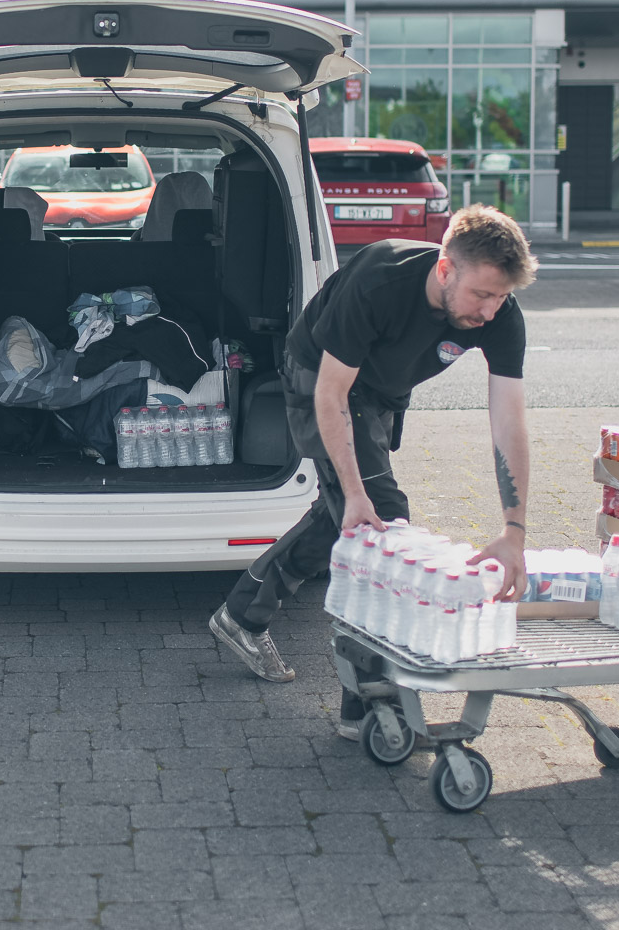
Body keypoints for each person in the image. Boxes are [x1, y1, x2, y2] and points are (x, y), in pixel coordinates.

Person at [209, 205, 537, 737]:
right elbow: (332, 392)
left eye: (501, 296)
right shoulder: (380, 278)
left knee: (344, 515)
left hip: (382, 390)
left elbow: (509, 422)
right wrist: (357, 491)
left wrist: (514, 530)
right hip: (320, 374)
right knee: (382, 524)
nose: (491, 311)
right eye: (482, 294)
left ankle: (243, 614)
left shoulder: (501, 315)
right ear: (446, 269)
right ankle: (368, 707)